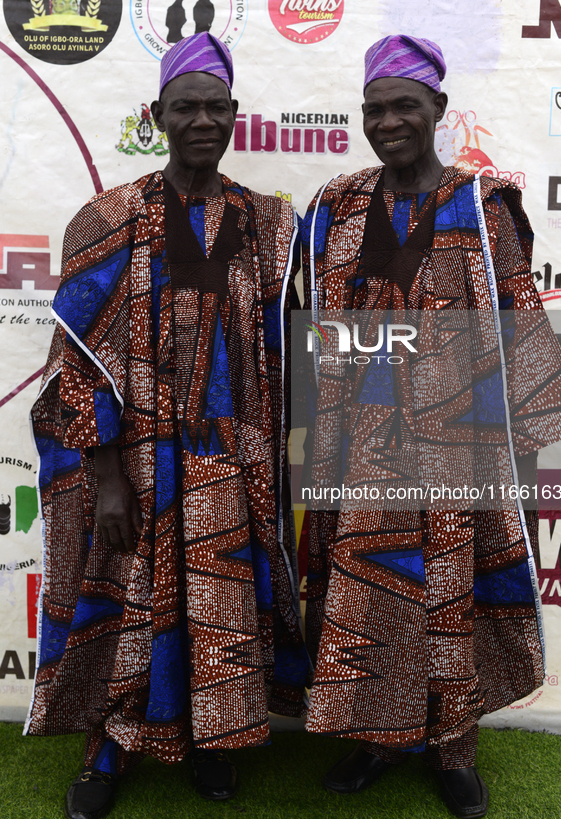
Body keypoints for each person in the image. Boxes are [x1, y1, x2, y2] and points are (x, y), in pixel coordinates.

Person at [300, 35, 561, 818]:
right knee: (366, 596)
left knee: (445, 597)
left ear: (437, 110)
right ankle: (376, 736)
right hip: (358, 448)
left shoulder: (480, 206)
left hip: (455, 445)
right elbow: (315, 326)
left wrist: (528, 453)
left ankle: (451, 746)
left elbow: (518, 322)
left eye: (404, 106)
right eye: (373, 108)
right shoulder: (337, 205)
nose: (387, 121)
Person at [27, 32, 307, 819]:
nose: (202, 120)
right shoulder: (107, 219)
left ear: (235, 115)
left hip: (232, 459)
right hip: (140, 464)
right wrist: (108, 474)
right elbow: (75, 365)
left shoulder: (267, 225)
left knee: (223, 605)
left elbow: (289, 353)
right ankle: (109, 747)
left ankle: (215, 740)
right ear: (157, 114)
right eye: (186, 106)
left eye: (217, 107)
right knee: (128, 603)